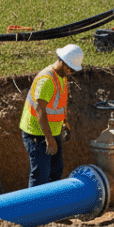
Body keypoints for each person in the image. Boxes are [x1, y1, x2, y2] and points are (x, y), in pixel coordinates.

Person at [19, 44, 84, 188]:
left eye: (73, 70)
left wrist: (65, 124)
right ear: (62, 61)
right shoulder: (47, 80)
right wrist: (49, 138)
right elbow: (40, 109)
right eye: (70, 68)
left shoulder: (61, 76)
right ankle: (35, 208)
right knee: (40, 175)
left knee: (56, 171)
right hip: (37, 133)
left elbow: (59, 104)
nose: (71, 72)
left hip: (52, 131)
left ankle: (51, 207)